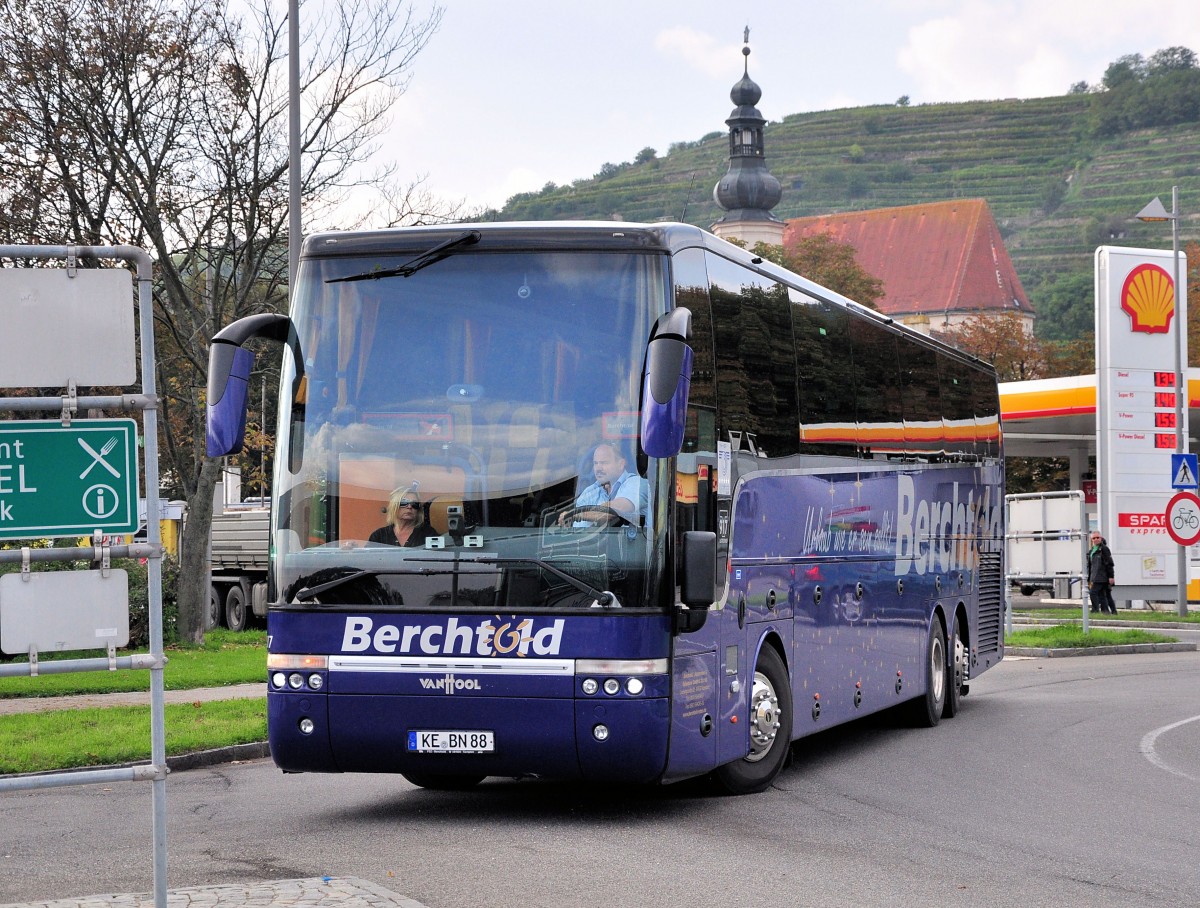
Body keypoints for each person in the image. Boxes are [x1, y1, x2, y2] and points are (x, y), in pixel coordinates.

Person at [562, 442, 647, 526]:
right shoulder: (588, 493)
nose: (598, 468)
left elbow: (613, 511)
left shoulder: (637, 484)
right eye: (596, 463)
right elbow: (580, 535)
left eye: (604, 463)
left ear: (621, 464)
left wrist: (577, 515)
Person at [368, 485, 438, 547]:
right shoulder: (379, 536)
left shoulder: (429, 533)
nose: (409, 506)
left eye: (414, 504)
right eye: (404, 502)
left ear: (418, 509)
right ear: (394, 506)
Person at [1087, 531, 1117, 615]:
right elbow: (1090, 566)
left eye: (1098, 538)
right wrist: (1089, 578)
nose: (1096, 539)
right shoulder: (1092, 551)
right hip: (1095, 576)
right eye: (1094, 538)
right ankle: (1108, 612)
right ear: (1091, 540)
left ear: (1101, 538)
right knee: (1104, 594)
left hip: (1102, 576)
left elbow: (1109, 563)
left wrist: (1111, 576)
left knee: (1093, 592)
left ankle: (1095, 609)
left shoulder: (1104, 549)